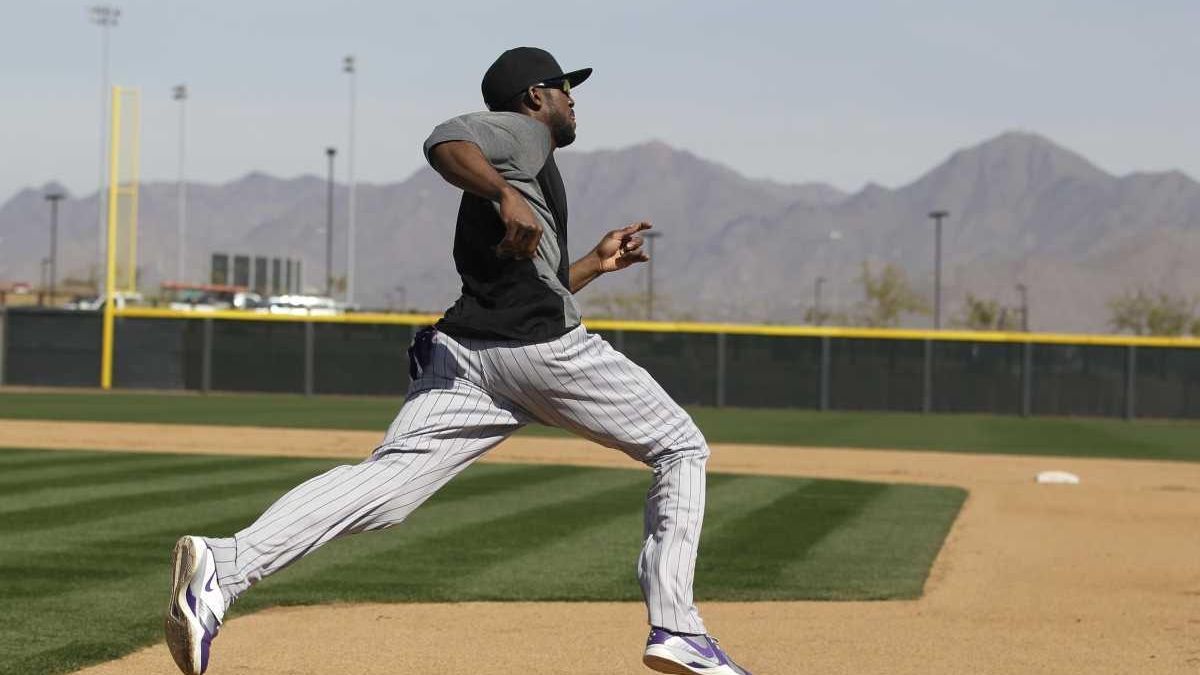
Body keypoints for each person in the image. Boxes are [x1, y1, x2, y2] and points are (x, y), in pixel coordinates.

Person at [164, 46, 751, 675]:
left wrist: (592, 265)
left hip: (472, 356)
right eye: (563, 86)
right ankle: (678, 627)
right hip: (539, 351)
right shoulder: (520, 137)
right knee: (680, 448)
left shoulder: (527, 168)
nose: (573, 97)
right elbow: (446, 139)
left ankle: (223, 566)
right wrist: (503, 192)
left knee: (388, 491)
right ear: (534, 97)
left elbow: (533, 283)